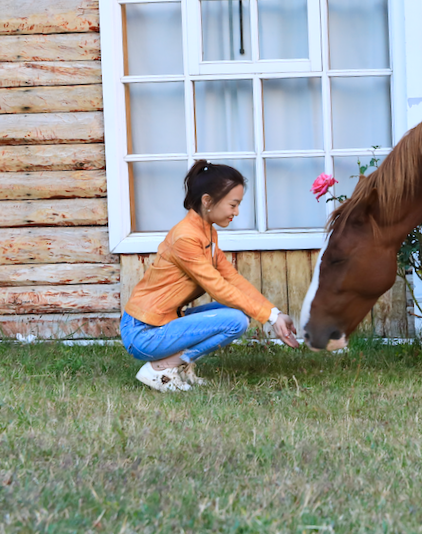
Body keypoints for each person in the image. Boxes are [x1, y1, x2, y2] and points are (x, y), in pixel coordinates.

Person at [121, 160, 300, 392]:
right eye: (233, 204)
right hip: (143, 332)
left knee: (238, 313)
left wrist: (274, 313)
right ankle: (162, 369)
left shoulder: (207, 232)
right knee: (234, 321)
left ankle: (178, 367)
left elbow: (232, 279)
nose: (236, 212)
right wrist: (270, 319)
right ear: (207, 201)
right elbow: (218, 287)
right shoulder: (186, 237)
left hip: (165, 322)